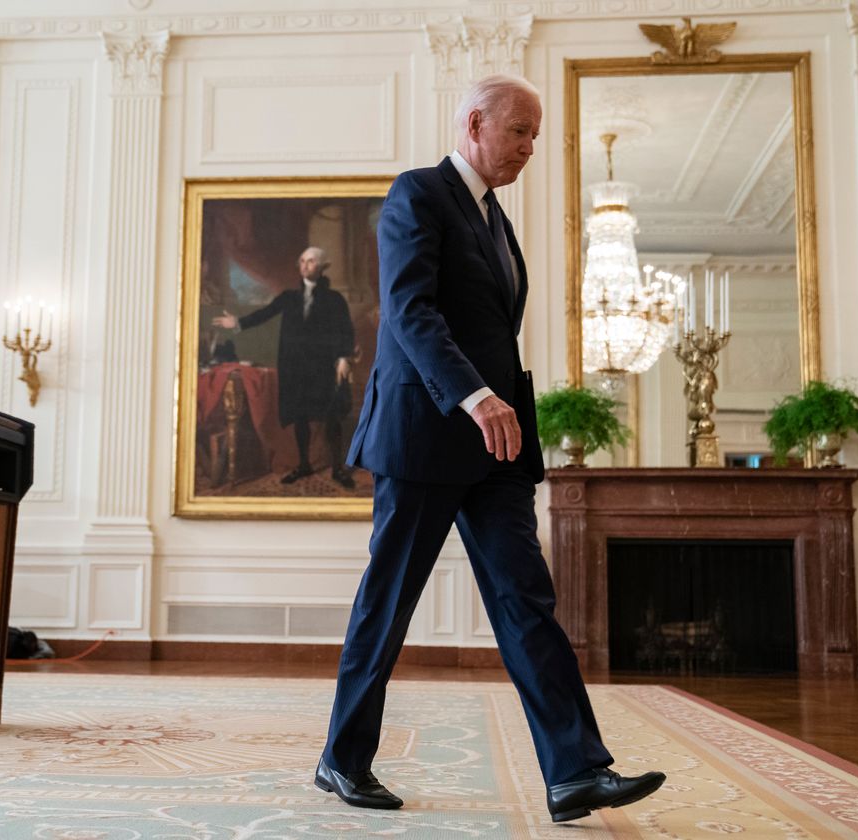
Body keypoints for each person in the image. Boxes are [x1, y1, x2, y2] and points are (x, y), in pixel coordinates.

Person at [314, 74, 666, 823]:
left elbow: (490, 331)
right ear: (475, 124)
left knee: (527, 600)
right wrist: (474, 395)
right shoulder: (418, 194)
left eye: (535, 134)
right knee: (389, 603)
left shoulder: (496, 220)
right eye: (520, 131)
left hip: (495, 448)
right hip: (423, 435)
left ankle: (575, 772)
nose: (530, 147)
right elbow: (409, 311)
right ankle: (342, 759)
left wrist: (495, 408)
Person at [212, 246, 357, 489]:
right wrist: (237, 322)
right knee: (300, 417)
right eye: (302, 261)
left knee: (331, 417)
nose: (305, 266)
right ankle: (304, 464)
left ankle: (337, 468)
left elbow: (346, 330)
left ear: (323, 267)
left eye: (311, 261)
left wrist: (343, 357)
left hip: (324, 367)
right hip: (296, 368)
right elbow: (265, 313)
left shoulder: (335, 299)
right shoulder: (289, 297)